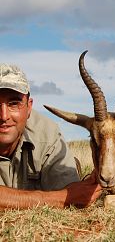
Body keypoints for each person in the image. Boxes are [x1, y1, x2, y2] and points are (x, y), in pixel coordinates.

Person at [0, 63, 102, 209]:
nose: (4, 116)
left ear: (29, 107)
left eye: (14, 104)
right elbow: (68, 198)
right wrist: (59, 199)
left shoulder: (47, 132)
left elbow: (74, 195)